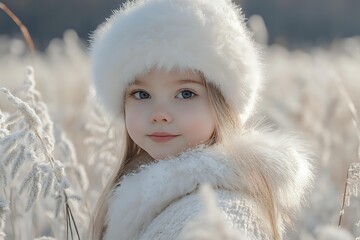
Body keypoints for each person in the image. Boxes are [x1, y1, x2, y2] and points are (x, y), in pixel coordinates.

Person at [89, 0, 313, 239]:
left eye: (186, 93)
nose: (159, 114)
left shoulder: (219, 215)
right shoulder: (138, 195)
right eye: (141, 94)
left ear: (222, 104)